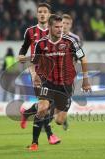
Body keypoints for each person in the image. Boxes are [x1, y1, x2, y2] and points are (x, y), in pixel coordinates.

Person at [29, 14, 91, 150]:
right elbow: (33, 63)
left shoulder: (71, 42)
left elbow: (84, 59)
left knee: (59, 120)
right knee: (43, 108)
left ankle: (32, 110)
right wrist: (34, 75)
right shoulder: (41, 43)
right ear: (50, 27)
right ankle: (34, 143)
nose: (60, 29)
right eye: (56, 27)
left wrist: (86, 80)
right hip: (48, 82)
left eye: (61, 27)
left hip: (66, 84)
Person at [18, 3, 60, 151]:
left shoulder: (54, 31)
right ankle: (48, 136)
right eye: (40, 12)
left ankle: (28, 112)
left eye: (45, 12)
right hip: (36, 71)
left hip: (53, 73)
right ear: (37, 14)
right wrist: (22, 55)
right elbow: (24, 46)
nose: (42, 14)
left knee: (48, 106)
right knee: (44, 106)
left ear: (49, 15)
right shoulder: (30, 31)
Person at [61, 14, 82, 130]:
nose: (64, 26)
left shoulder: (75, 39)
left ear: (71, 25)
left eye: (67, 24)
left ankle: (63, 118)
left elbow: (78, 56)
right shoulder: (53, 36)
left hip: (69, 73)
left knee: (66, 97)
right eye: (63, 23)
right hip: (54, 73)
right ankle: (46, 121)